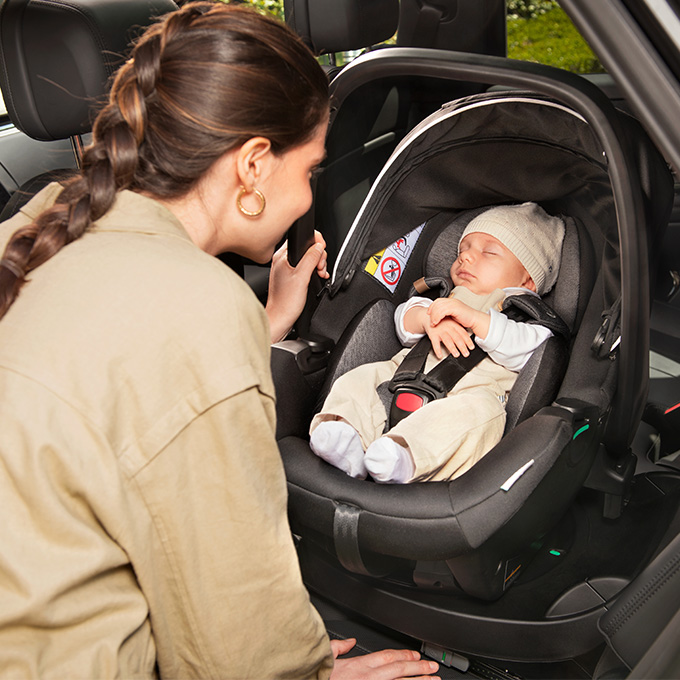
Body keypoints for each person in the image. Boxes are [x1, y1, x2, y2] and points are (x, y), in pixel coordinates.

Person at [0, 3, 439, 679]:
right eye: (310, 170)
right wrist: (310, 672)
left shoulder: (39, 224)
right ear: (254, 164)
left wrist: (267, 323)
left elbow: (112, 389)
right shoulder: (195, 308)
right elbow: (234, 631)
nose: (306, 197)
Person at [310, 202, 565, 483]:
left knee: (481, 417)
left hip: (470, 396)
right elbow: (403, 322)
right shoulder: (443, 293)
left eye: (489, 252)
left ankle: (405, 458)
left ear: (528, 280)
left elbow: (532, 350)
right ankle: (345, 436)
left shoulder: (527, 317)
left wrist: (478, 320)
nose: (466, 257)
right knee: (360, 378)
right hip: (400, 376)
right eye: (463, 249)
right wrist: (427, 318)